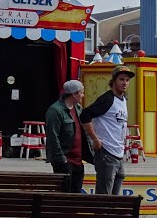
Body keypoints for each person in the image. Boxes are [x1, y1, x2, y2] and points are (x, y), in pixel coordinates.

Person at [79, 66, 133, 195]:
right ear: (114, 81)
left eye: (127, 80)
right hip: (106, 152)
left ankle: (111, 214)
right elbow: (85, 115)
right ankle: (100, 215)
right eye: (121, 79)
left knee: (115, 194)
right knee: (104, 193)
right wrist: (95, 138)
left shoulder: (123, 99)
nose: (125, 83)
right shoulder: (107, 99)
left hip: (119, 153)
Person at [44, 80, 92, 194]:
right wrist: (62, 159)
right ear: (74, 94)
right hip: (65, 160)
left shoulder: (78, 109)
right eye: (81, 92)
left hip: (78, 161)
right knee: (64, 194)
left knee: (76, 194)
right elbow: (52, 136)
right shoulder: (55, 110)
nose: (83, 95)